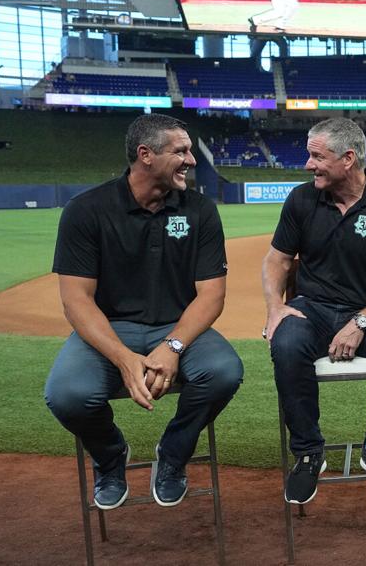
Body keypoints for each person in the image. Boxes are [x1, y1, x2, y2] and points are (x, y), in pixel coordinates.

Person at [45, 114, 243, 510]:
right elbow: (76, 300)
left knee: (224, 373)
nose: (190, 160)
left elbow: (211, 296)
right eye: (181, 151)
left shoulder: (200, 210)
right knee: (67, 395)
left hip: (178, 326)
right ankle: (111, 456)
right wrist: (122, 358)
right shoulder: (86, 210)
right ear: (145, 155)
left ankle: (173, 454)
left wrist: (172, 346)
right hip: (110, 329)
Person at [262, 117, 366, 503]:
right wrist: (274, 308)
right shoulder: (301, 200)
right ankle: (307, 451)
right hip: (312, 309)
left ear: (348, 158)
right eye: (309, 155)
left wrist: (360, 321)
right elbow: (277, 260)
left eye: (317, 156)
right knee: (285, 345)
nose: (308, 164)